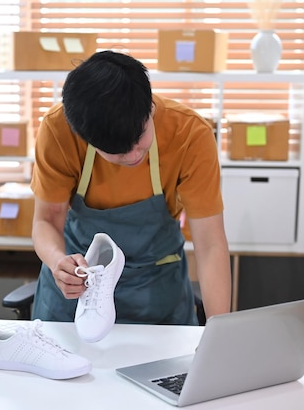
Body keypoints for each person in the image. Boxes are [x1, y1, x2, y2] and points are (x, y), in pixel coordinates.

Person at [29, 50, 231, 325]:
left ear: (149, 106)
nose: (134, 155)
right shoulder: (57, 130)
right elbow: (46, 219)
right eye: (116, 152)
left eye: (140, 139)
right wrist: (57, 262)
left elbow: (210, 244)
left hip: (156, 298)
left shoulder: (190, 136)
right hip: (77, 298)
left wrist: (218, 332)